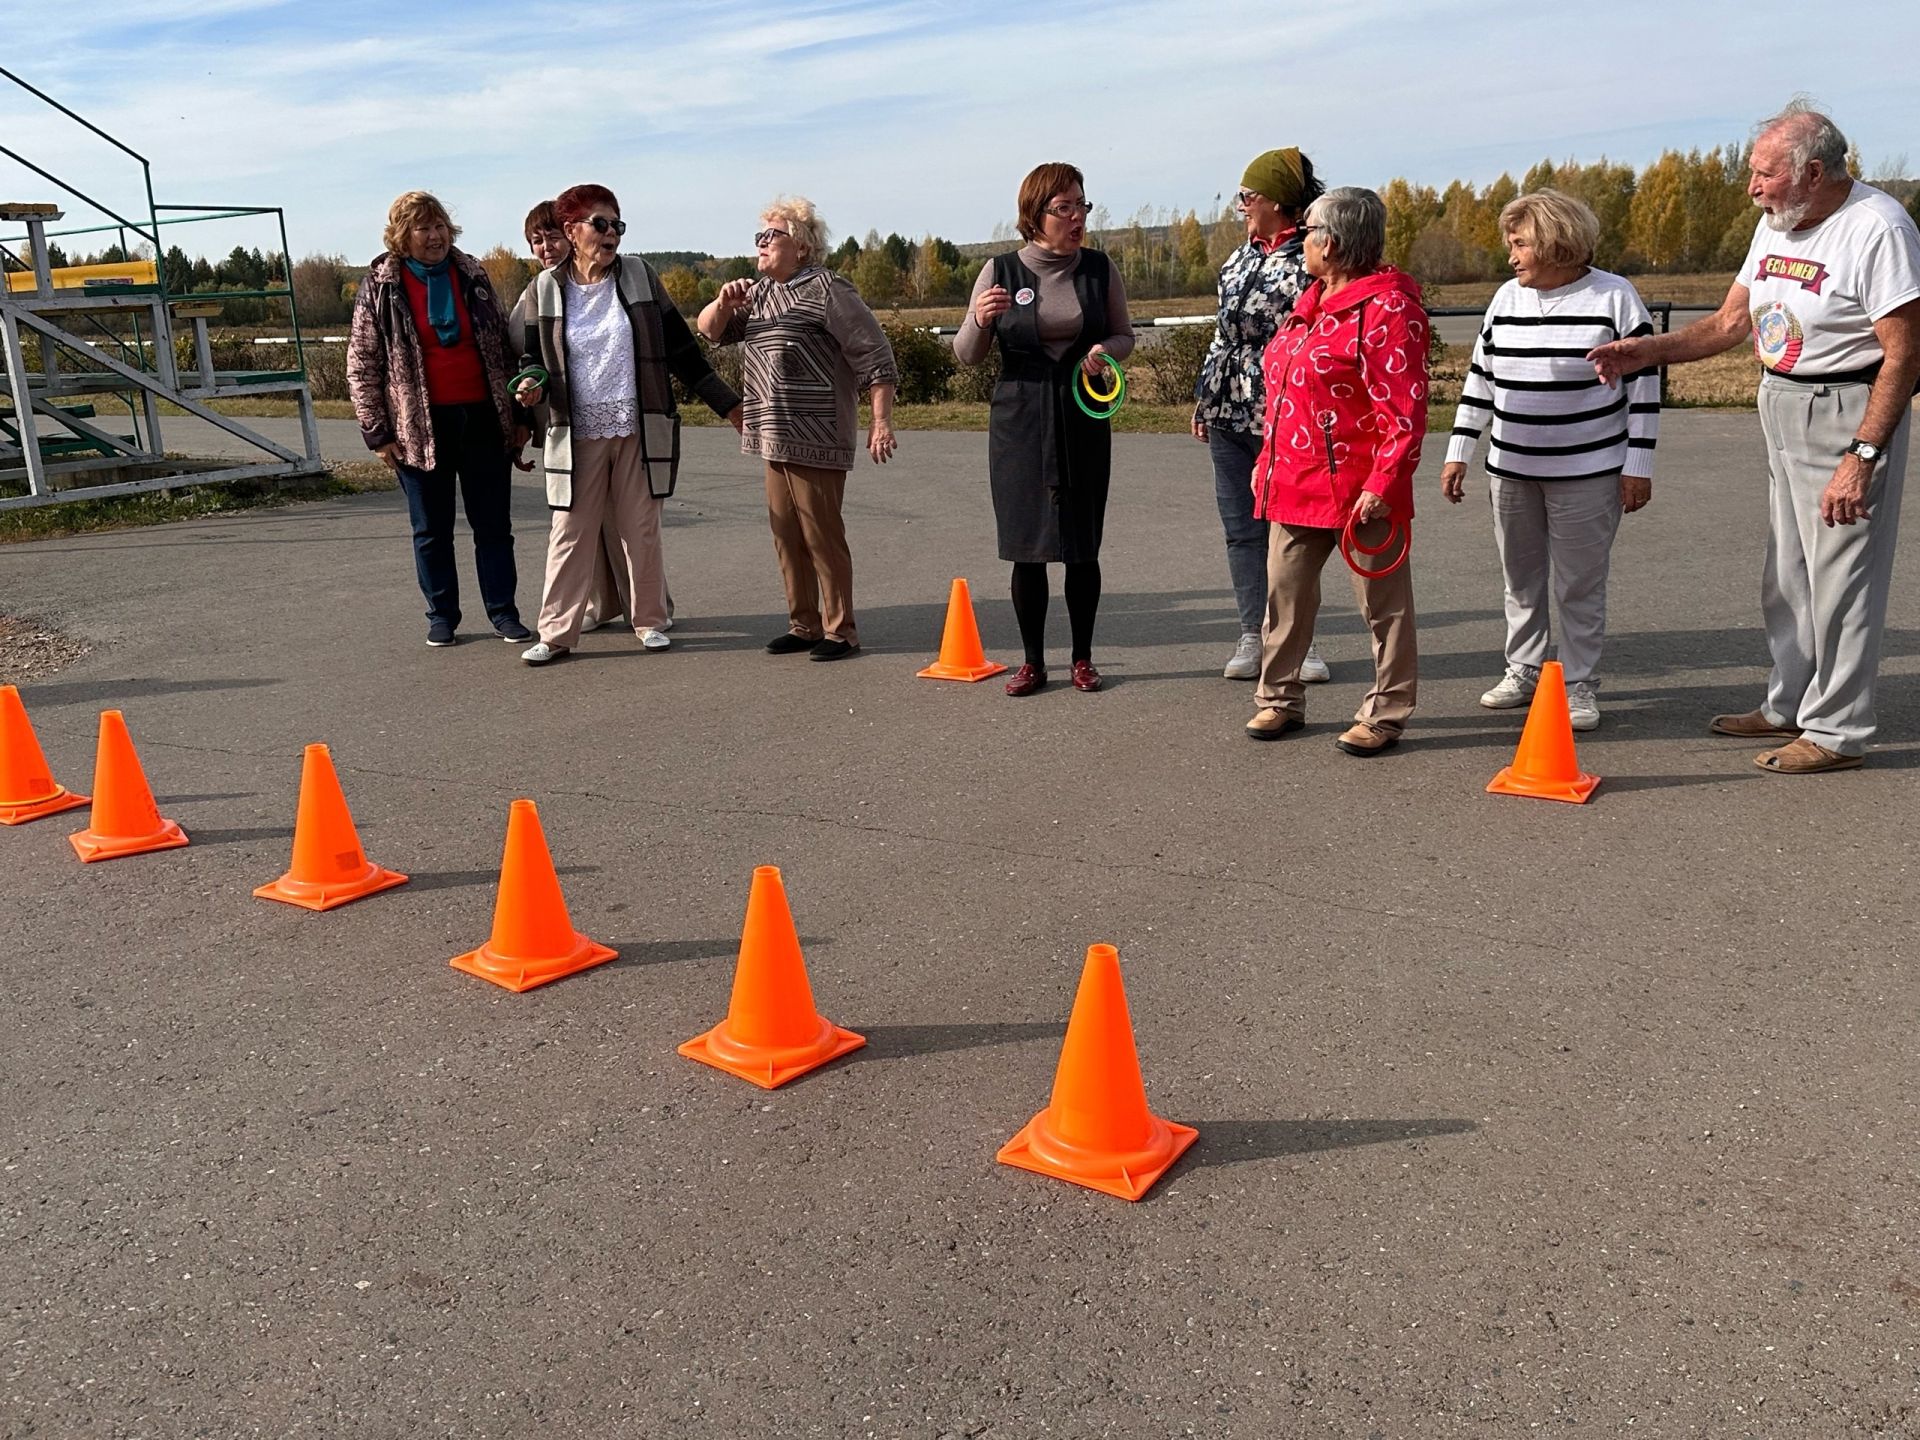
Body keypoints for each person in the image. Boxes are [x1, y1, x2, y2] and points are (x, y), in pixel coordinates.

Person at [1591, 101, 1920, 773]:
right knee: (1788, 574)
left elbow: (1905, 353)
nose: (1752, 187)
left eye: (1765, 173)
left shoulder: (1877, 228)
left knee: (1842, 577)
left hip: (1845, 408)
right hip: (1780, 402)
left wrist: (1861, 457)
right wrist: (1644, 353)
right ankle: (1788, 703)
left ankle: (1836, 730)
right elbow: (1728, 323)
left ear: (1815, 171)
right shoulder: (1776, 223)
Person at [1442, 189, 1661, 732]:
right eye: (1510, 245)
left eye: (1520, 244)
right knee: (1520, 578)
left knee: (1579, 583)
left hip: (1588, 471)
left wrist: (1638, 464)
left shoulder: (1615, 296)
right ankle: (1523, 669)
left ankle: (1580, 683)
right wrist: (1459, 451)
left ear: (1553, 242)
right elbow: (1480, 378)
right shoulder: (1505, 299)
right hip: (1511, 468)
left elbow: (1646, 386)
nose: (1511, 256)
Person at [513, 183, 742, 666]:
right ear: (572, 230)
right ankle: (555, 633)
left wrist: (728, 406)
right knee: (569, 530)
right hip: (575, 431)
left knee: (641, 528)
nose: (611, 232)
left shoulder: (640, 275)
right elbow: (531, 357)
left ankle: (651, 621)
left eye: (618, 224)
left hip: (638, 424)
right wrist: (529, 387)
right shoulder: (544, 288)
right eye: (600, 223)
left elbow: (681, 349)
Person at [1244, 187, 1429, 756]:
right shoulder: (1313, 301)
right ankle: (1279, 698)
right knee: (1285, 594)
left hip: (1360, 489)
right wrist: (1263, 462)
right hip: (1294, 479)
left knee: (1383, 605)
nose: (1302, 243)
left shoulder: (1389, 309)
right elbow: (1284, 393)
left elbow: (1404, 411)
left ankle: (1388, 711)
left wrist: (1383, 483)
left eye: (1309, 234)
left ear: (1333, 240)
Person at [953, 162, 1135, 696]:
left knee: (1082, 544)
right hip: (1019, 418)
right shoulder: (999, 271)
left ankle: (1083, 657)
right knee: (1026, 545)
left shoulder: (1100, 270)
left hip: (1081, 414)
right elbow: (966, 355)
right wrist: (979, 320)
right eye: (1065, 208)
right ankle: (1032, 661)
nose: (1077, 217)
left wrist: (1104, 351)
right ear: (1035, 216)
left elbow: (1125, 335)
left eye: (1083, 205)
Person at [697, 196, 899, 661]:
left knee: (821, 534)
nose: (762, 245)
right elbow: (710, 330)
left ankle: (840, 630)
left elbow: (874, 356)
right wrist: (723, 302)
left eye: (772, 236)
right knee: (786, 533)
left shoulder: (829, 290)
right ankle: (803, 624)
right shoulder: (761, 294)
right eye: (758, 237)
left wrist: (880, 421)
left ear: (803, 246)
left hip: (818, 434)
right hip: (773, 434)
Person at [348, 190, 532, 648]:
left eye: (440, 226)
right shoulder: (381, 285)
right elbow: (362, 362)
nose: (434, 236)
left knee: (493, 526)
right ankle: (442, 616)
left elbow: (504, 349)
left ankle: (503, 613)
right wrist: (377, 433)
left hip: (484, 418)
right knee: (431, 530)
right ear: (401, 236)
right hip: (417, 426)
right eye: (422, 228)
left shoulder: (471, 274)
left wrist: (518, 416)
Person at [1193, 147, 1332, 684]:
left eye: (1247, 197)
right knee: (1241, 530)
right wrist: (1206, 396)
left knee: (1292, 533)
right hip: (1229, 408)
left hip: (1287, 413)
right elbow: (1222, 334)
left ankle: (1300, 640)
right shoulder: (1239, 257)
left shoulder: (1314, 256)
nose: (1242, 206)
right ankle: (1254, 632)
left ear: (1277, 201)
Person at [506, 200, 633, 636]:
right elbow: (522, 359)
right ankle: (599, 603)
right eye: (535, 242)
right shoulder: (538, 291)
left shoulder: (615, 280)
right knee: (579, 524)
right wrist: (522, 426)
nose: (544, 247)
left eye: (550, 237)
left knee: (624, 522)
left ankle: (646, 607)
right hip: (559, 423)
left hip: (610, 419)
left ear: (571, 233)